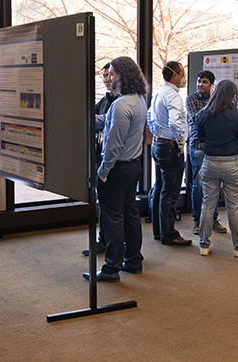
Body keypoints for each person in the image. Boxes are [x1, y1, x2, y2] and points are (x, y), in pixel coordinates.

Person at [82, 56, 147, 283]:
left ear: (122, 74)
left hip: (116, 170)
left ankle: (111, 268)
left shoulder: (121, 105)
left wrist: (103, 172)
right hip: (133, 166)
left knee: (112, 219)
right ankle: (134, 261)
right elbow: (108, 122)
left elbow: (113, 146)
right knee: (130, 213)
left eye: (112, 73)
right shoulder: (138, 99)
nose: (109, 78)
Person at [196, 80, 238, 257]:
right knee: (233, 207)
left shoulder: (204, 114)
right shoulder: (237, 114)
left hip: (210, 161)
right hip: (231, 162)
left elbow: (200, 137)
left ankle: (204, 245)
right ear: (232, 95)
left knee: (207, 204)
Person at [148, 61, 191, 246]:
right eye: (182, 74)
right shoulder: (174, 97)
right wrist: (180, 140)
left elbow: (150, 116)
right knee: (171, 192)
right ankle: (169, 234)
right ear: (174, 76)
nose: (183, 78)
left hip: (158, 144)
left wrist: (158, 134)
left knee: (160, 188)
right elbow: (175, 122)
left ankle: (159, 230)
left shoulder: (159, 92)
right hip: (170, 147)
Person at [82, 63, 118, 256]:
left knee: (113, 208)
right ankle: (103, 241)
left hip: (114, 161)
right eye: (104, 77)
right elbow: (93, 122)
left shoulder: (122, 102)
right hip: (99, 155)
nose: (106, 80)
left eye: (109, 76)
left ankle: (114, 246)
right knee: (102, 204)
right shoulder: (103, 101)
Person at [186, 70, 227, 235]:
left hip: (215, 147)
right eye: (199, 81)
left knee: (215, 185)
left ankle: (214, 219)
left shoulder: (217, 100)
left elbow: (222, 122)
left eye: (204, 82)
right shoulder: (191, 99)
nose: (200, 85)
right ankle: (197, 220)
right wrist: (213, 111)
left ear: (212, 85)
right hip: (198, 146)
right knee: (199, 184)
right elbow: (196, 119)